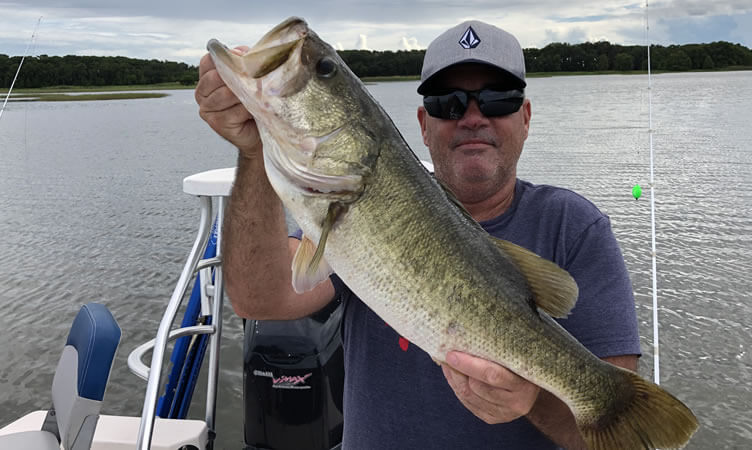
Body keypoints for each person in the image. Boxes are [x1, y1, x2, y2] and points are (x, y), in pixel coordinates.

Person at [196, 19, 640, 450]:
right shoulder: (347, 208)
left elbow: (616, 436)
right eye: (448, 103)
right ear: (424, 125)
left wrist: (532, 398)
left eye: (498, 99)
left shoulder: (574, 228)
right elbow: (261, 298)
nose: (473, 117)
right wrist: (254, 151)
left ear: (525, 118)